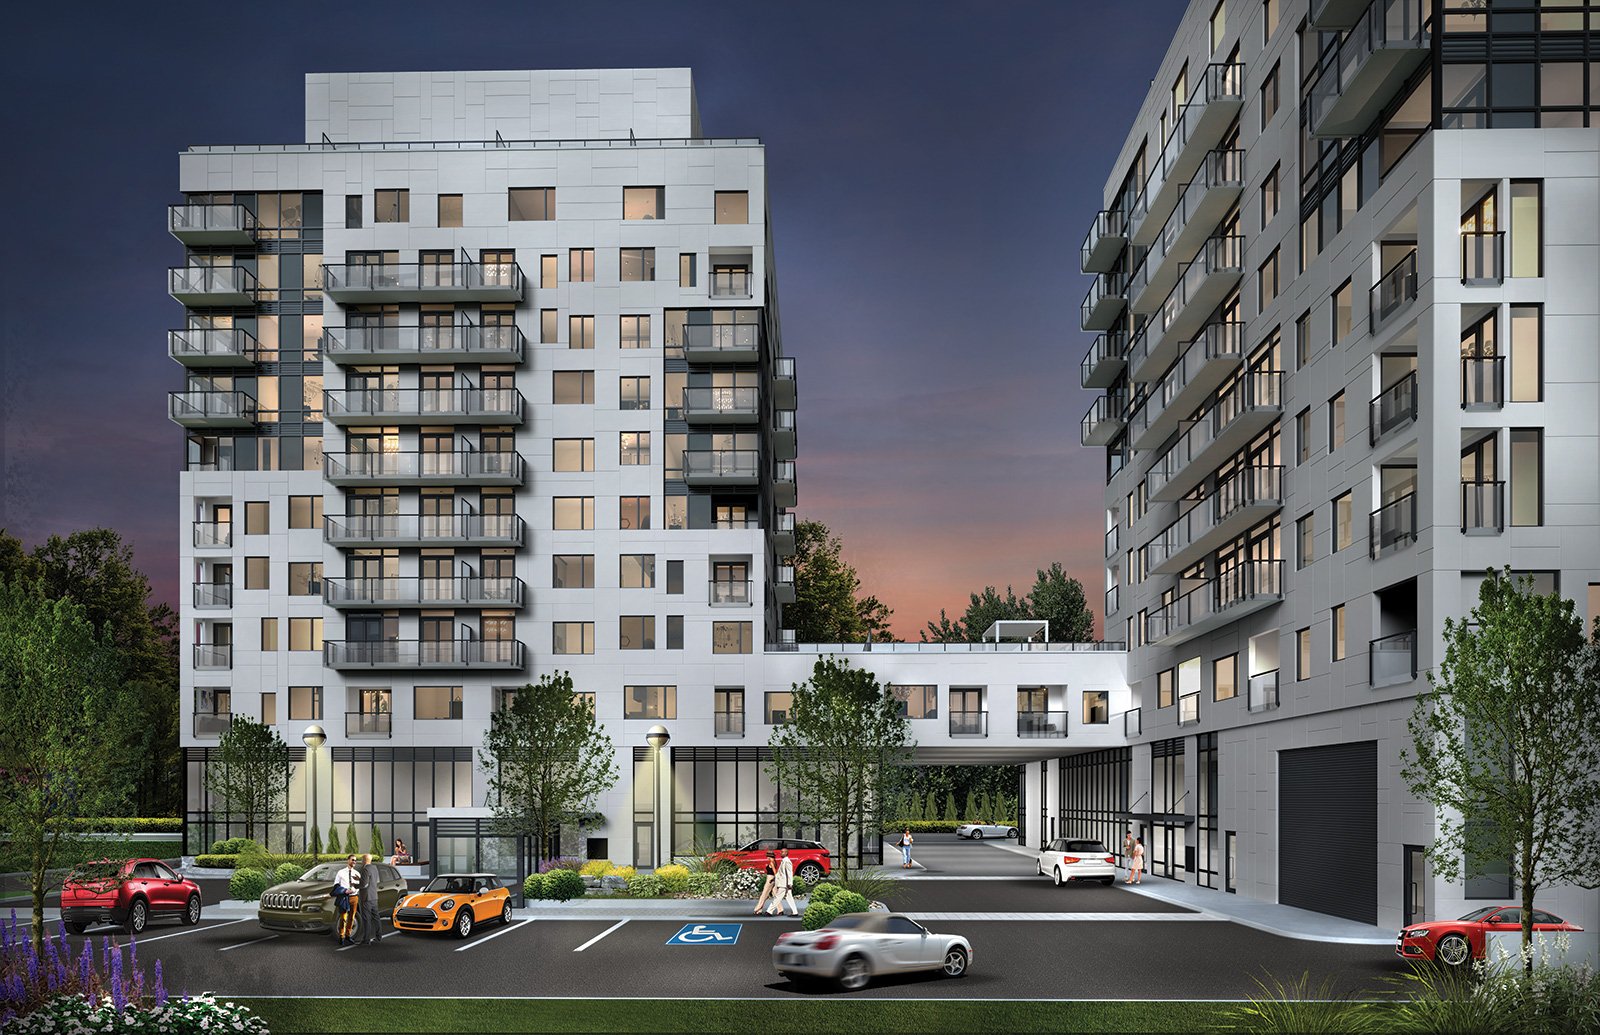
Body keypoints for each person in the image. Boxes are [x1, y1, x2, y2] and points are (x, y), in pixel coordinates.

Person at [332, 855, 360, 946]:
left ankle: (348, 935)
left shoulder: (357, 874)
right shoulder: (341, 873)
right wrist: (345, 891)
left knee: (352, 917)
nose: (354, 862)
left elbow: (359, 886)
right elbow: (336, 885)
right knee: (343, 917)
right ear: (348, 860)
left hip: (354, 897)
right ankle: (341, 936)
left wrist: (355, 890)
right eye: (352, 860)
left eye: (355, 860)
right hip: (345, 897)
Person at [356, 853, 383, 944]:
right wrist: (359, 878)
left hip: (366, 898)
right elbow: (375, 881)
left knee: (366, 919)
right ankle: (379, 937)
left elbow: (364, 884)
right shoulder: (374, 868)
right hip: (374, 896)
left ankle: (366, 939)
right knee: (376, 917)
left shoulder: (365, 869)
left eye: (362, 859)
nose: (361, 861)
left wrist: (354, 885)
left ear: (364, 860)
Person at [769, 848, 799, 917]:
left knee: (777, 898)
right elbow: (780, 873)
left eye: (782, 852)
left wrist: (790, 883)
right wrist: (774, 879)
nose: (781, 853)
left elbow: (789, 873)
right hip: (784, 883)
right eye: (781, 852)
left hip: (784, 884)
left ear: (786, 853)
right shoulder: (784, 861)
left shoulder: (787, 861)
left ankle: (769, 911)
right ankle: (795, 912)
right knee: (789, 898)